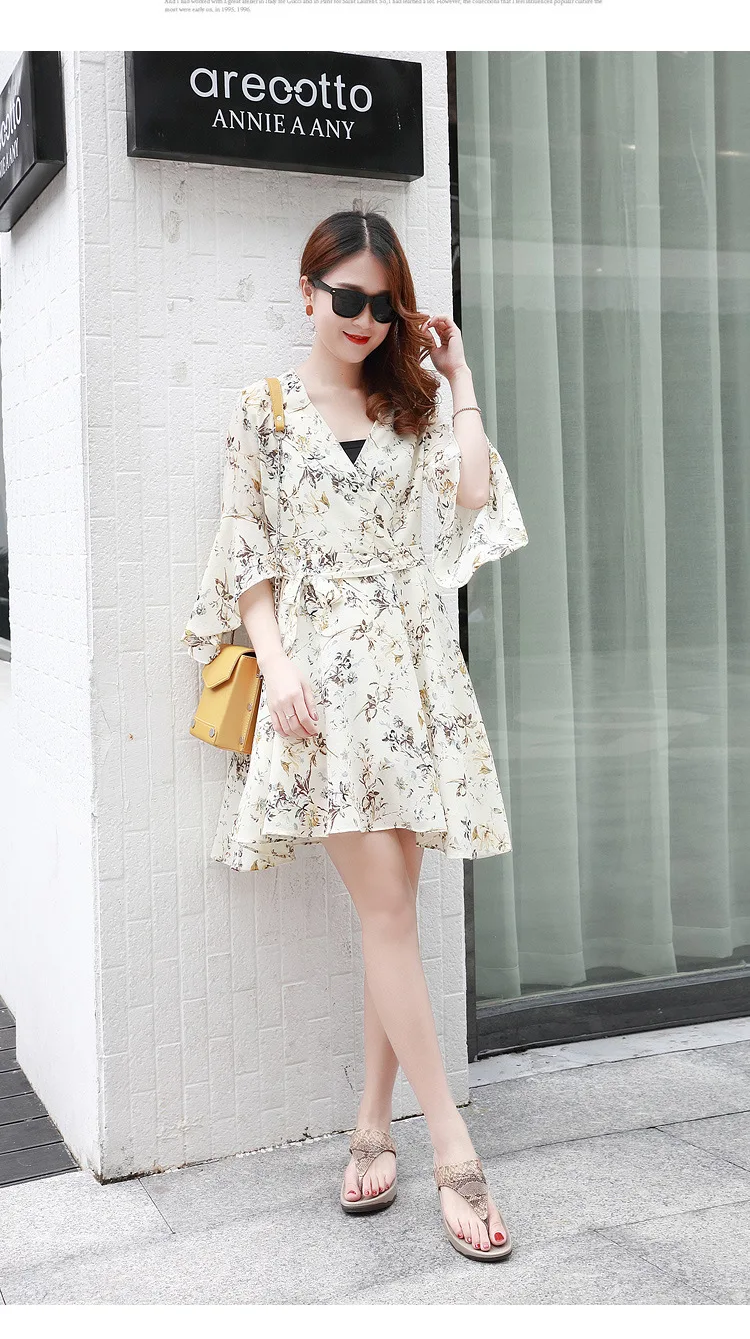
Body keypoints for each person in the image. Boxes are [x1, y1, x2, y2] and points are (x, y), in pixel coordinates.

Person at [180, 207, 528, 1261]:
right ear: (308, 292)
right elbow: (247, 546)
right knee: (384, 909)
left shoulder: (408, 405)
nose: (365, 318)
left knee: (393, 915)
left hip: (410, 679)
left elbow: (473, 493)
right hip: (319, 690)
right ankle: (452, 1148)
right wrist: (278, 664)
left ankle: (373, 1123)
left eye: (384, 302)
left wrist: (458, 377)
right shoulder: (263, 409)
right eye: (347, 297)